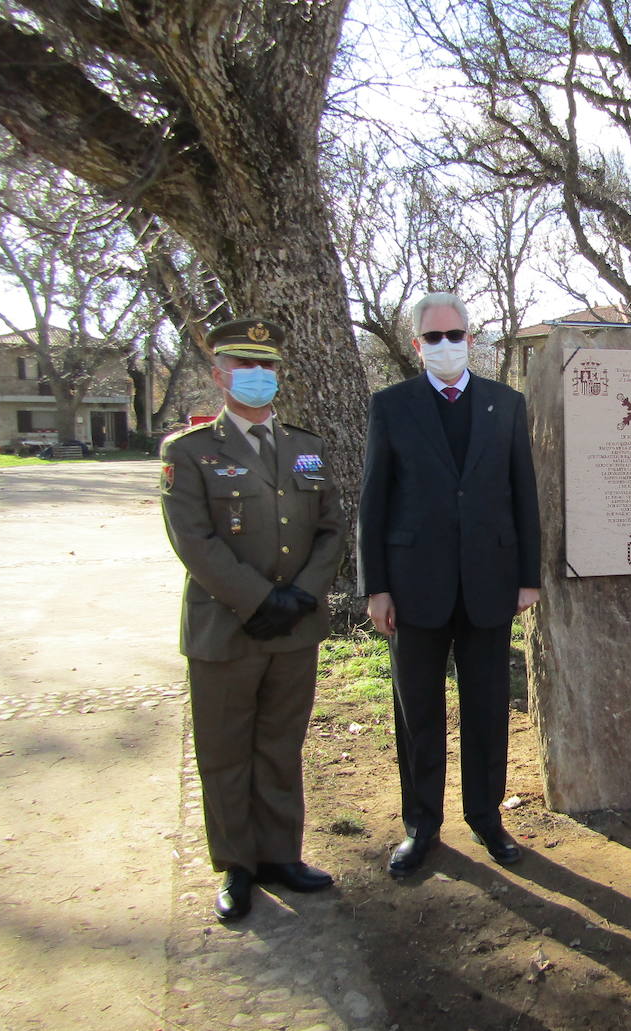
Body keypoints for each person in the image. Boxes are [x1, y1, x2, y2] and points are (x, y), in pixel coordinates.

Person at [159, 318, 346, 921]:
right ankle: (237, 866)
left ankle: (280, 855)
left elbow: (332, 529)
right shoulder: (188, 452)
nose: (258, 378)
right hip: (227, 626)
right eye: (245, 367)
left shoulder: (305, 445)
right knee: (225, 748)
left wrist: (303, 596)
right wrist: (261, 600)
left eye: (267, 367)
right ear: (219, 375)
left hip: (294, 628)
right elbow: (193, 539)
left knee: (279, 744)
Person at [358, 292, 542, 876]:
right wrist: (377, 587)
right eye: (433, 338)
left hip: (489, 583)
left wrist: (528, 577)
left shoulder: (505, 404)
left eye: (455, 334)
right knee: (418, 710)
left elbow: (523, 496)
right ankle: (422, 826)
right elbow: (374, 502)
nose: (446, 345)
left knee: (487, 707)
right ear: (417, 345)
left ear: (470, 336)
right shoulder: (391, 407)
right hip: (415, 588)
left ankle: (486, 817)